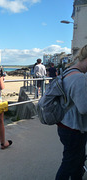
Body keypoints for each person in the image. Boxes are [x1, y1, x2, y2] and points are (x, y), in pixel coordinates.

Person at [56, 44, 87, 179]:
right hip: (74, 128)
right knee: (69, 163)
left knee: (76, 162)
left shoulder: (69, 71)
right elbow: (84, 108)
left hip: (65, 124)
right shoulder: (79, 78)